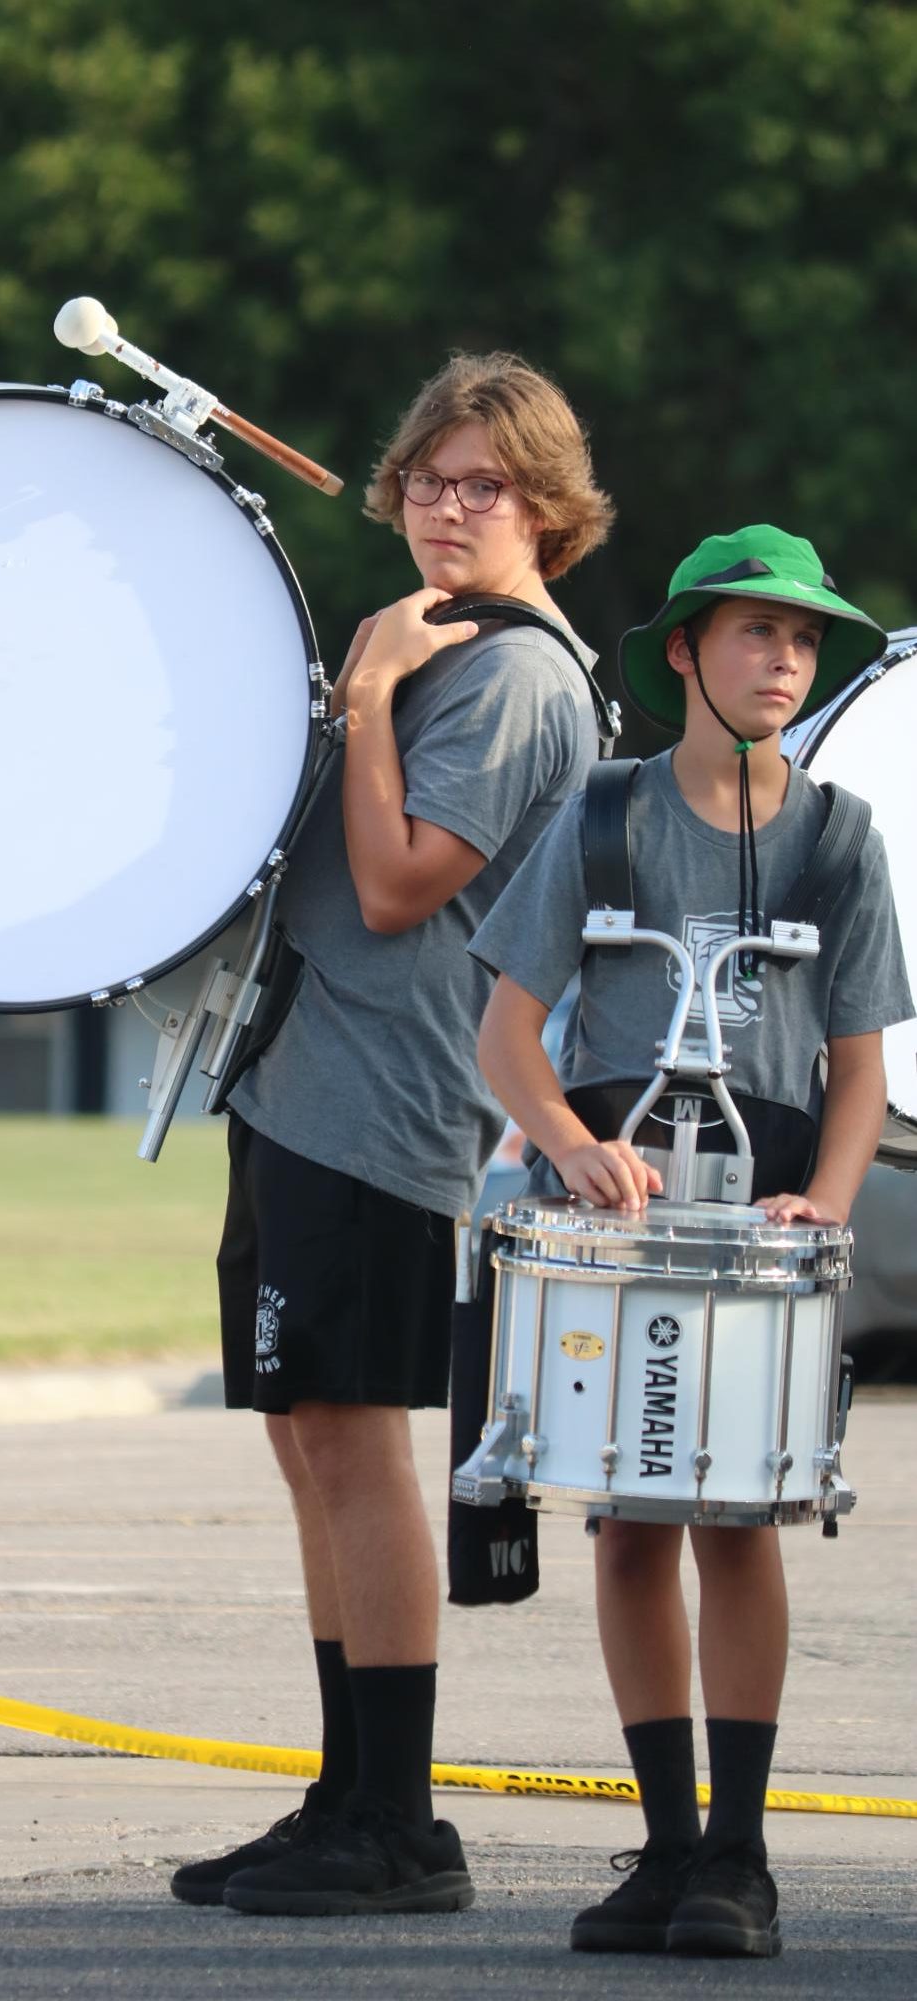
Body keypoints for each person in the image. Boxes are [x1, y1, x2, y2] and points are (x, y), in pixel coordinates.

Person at [169, 352, 614, 1917]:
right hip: (299, 1077)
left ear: (547, 510)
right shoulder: (449, 647)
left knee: (355, 1444)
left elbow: (396, 882)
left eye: (482, 484)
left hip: (381, 1095)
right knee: (310, 1439)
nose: (445, 507)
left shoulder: (511, 677)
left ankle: (403, 1826)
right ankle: (346, 1791)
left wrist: (362, 702)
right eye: (428, 479)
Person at [471, 524, 913, 1958]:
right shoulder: (601, 817)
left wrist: (826, 1207)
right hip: (617, 1202)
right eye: (750, 634)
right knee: (626, 1522)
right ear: (681, 652)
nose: (781, 661)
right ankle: (663, 1844)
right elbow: (505, 1036)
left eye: (799, 641)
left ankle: (739, 1853)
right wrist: (567, 1143)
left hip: (765, 1206)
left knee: (741, 1517)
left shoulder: (839, 835)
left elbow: (857, 1065)